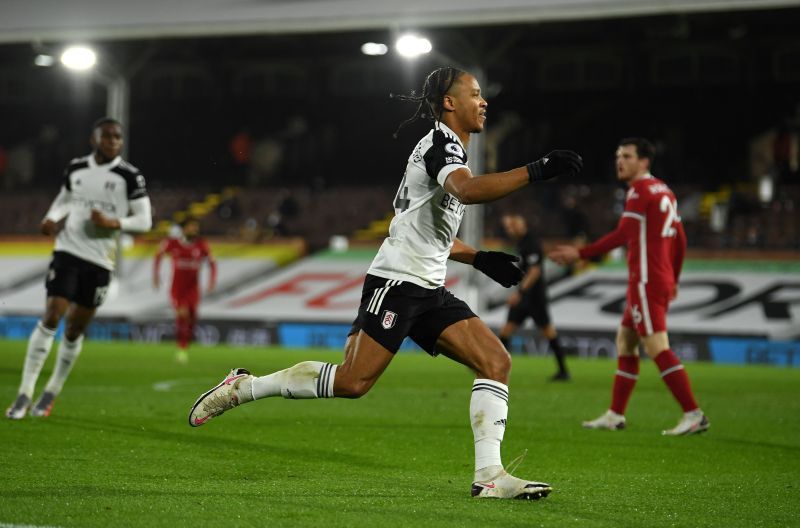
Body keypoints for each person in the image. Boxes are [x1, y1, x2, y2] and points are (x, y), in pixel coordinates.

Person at [187, 66, 582, 499]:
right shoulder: (440, 144)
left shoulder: (449, 152)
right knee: (353, 383)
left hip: (428, 286)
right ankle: (245, 388)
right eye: (474, 93)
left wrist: (480, 258)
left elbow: (420, 227)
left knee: (496, 362)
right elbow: (467, 192)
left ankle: (490, 476)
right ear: (449, 103)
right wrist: (537, 170)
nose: (484, 101)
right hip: (396, 282)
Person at [549, 137, 709, 436]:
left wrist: (581, 253)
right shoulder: (665, 191)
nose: (619, 161)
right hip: (656, 278)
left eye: (627, 156)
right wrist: (674, 276)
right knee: (625, 340)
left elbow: (624, 233)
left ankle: (693, 413)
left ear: (644, 162)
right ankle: (615, 415)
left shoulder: (639, 190)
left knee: (657, 347)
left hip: (647, 280)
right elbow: (681, 238)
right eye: (617, 155)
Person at [5, 117, 152, 419]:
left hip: (100, 262)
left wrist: (115, 223)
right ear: (94, 139)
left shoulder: (130, 176)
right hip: (68, 251)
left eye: (118, 137)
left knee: (74, 329)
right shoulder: (76, 168)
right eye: (108, 136)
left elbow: (145, 221)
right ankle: (24, 393)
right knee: (52, 314)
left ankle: (51, 391)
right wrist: (51, 217)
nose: (113, 141)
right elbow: (66, 197)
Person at [498, 213, 569, 381]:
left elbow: (535, 271)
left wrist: (520, 293)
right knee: (507, 330)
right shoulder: (522, 243)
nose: (509, 230)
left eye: (511, 226)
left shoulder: (531, 243)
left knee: (548, 332)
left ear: (521, 225)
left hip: (534, 298)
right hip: (525, 297)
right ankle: (495, 365)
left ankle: (563, 371)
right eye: (507, 227)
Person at [153, 217, 217, 364]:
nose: (195, 230)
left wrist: (212, 281)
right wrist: (156, 276)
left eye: (196, 227)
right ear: (184, 229)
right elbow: (158, 255)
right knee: (183, 315)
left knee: (192, 318)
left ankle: (185, 344)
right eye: (191, 227)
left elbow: (212, 263)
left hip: (193, 290)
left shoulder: (202, 245)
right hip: (177, 290)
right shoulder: (173, 243)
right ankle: (181, 350)